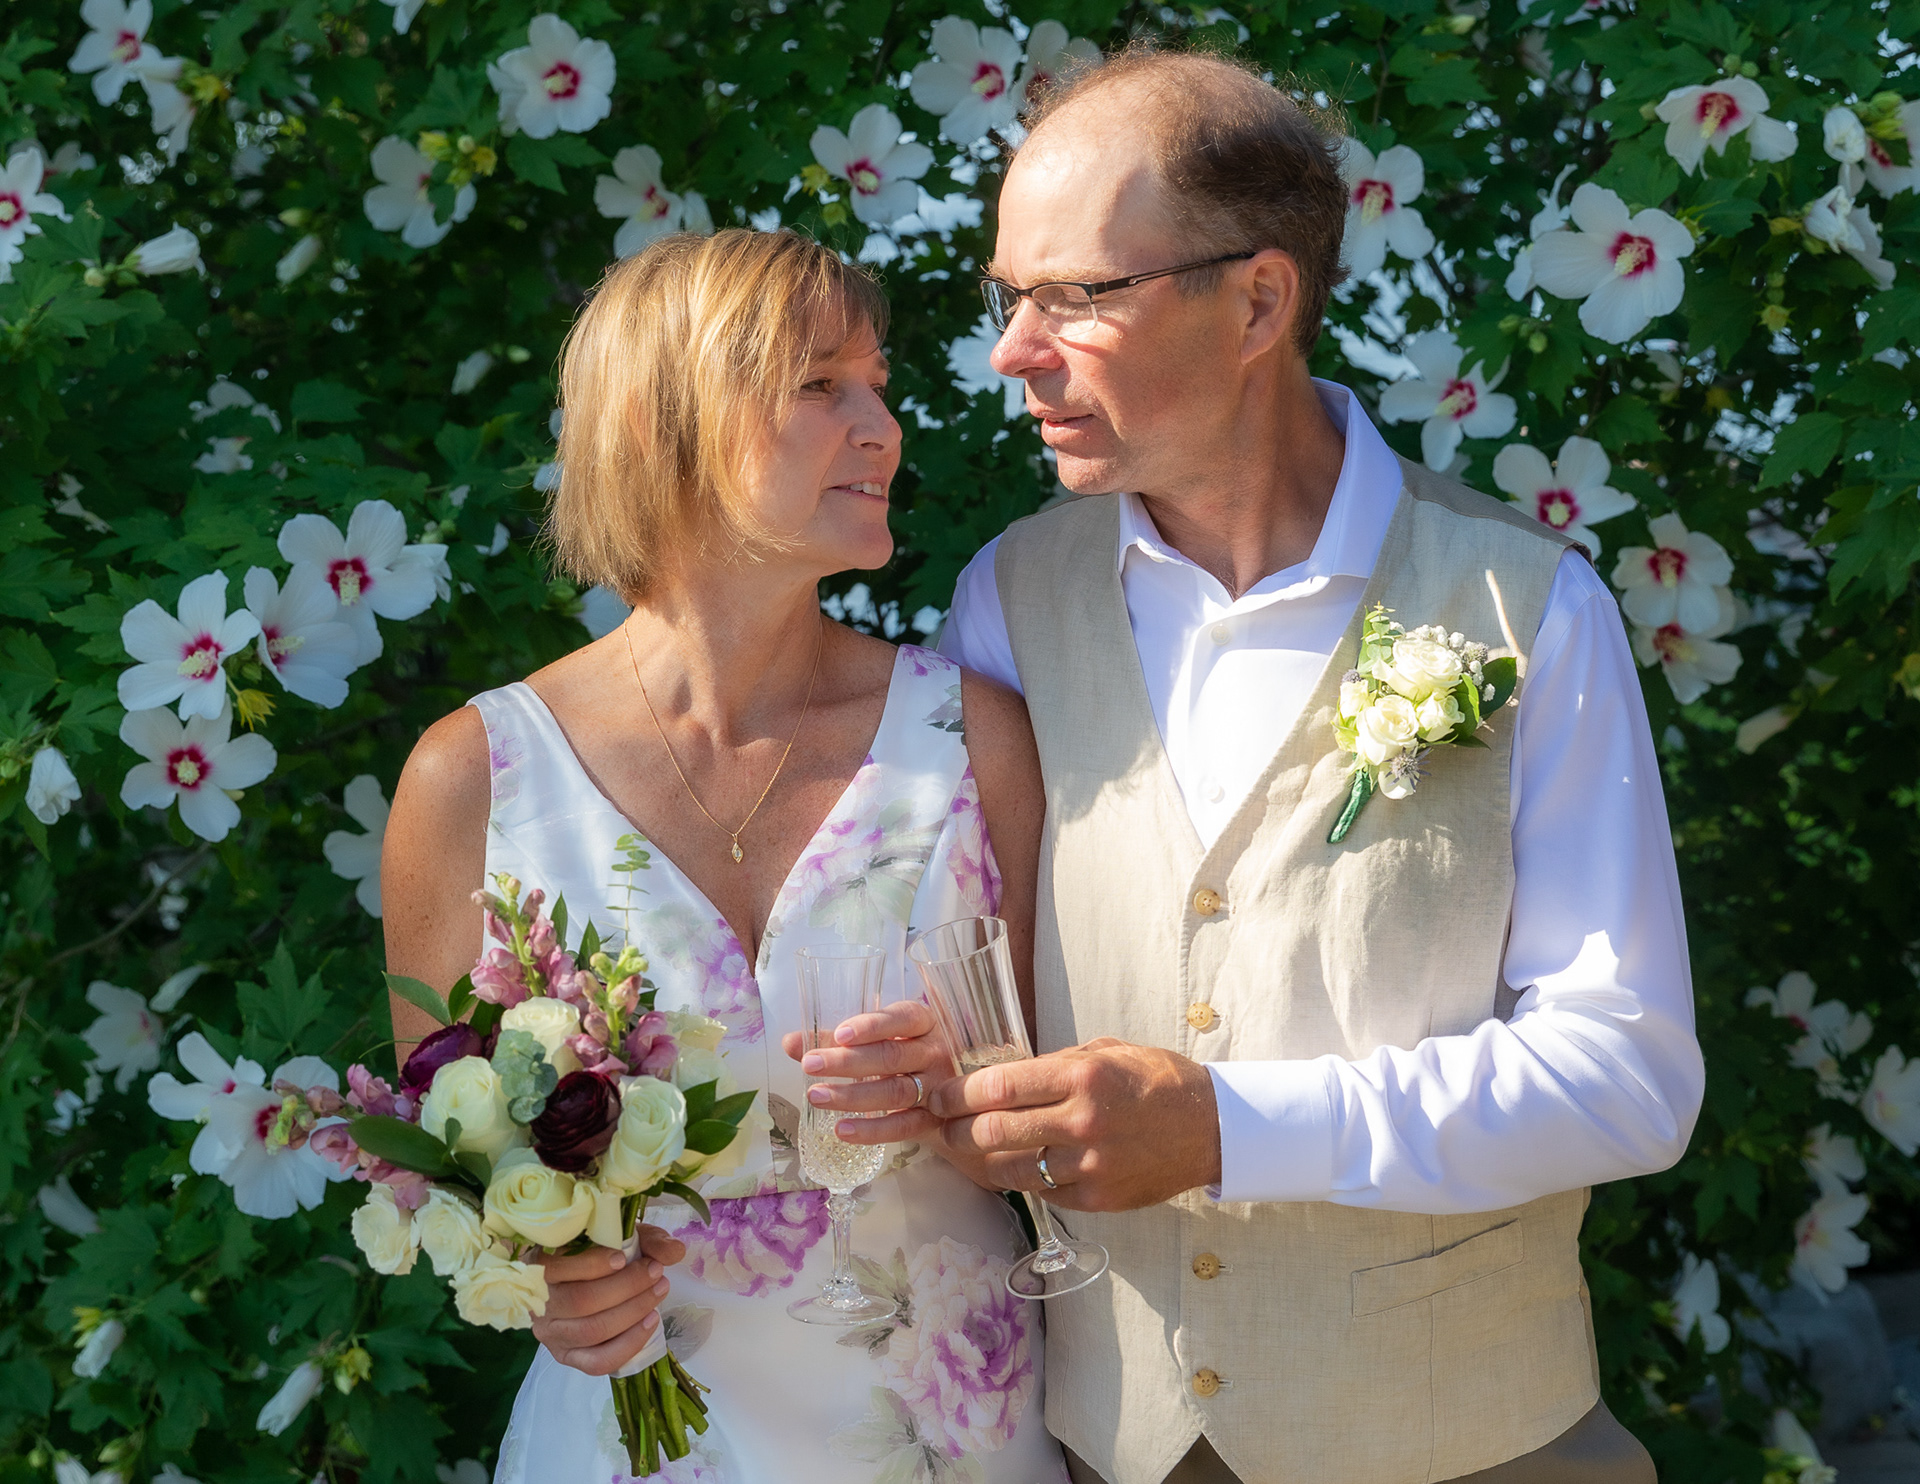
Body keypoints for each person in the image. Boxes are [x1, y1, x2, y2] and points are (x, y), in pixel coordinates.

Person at [805, 48, 1704, 1484]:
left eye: (1075, 296)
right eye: (1006, 295)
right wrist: (946, 1082)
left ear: (1259, 303)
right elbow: (978, 994)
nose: (1013, 352)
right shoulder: (1008, 603)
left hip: (1469, 1443)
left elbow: (1629, 1075)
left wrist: (1226, 1127)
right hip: (1112, 1444)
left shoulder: (1526, 605)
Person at [381, 230, 1065, 1484]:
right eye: (821, 385)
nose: (883, 428)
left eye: (879, 386)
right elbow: (452, 1178)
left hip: (949, 1425)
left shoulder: (972, 736)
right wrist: (549, 1281)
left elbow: (1040, 1128)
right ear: (664, 423)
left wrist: (955, 1099)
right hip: (639, 1440)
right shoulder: (474, 778)